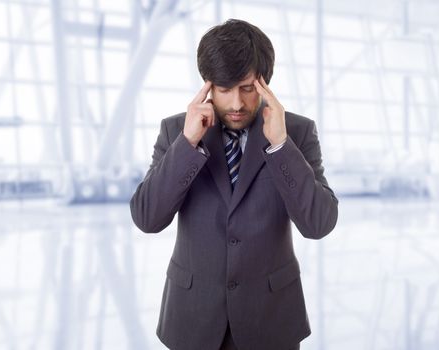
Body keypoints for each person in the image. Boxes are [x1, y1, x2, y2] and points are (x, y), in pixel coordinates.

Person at [130, 19, 338, 350]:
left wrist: (281, 147)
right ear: (207, 85)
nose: (237, 104)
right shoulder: (176, 132)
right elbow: (147, 218)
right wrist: (188, 144)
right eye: (224, 90)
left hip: (271, 321)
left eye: (246, 88)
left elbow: (319, 224)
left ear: (264, 83)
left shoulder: (295, 132)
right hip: (192, 319)